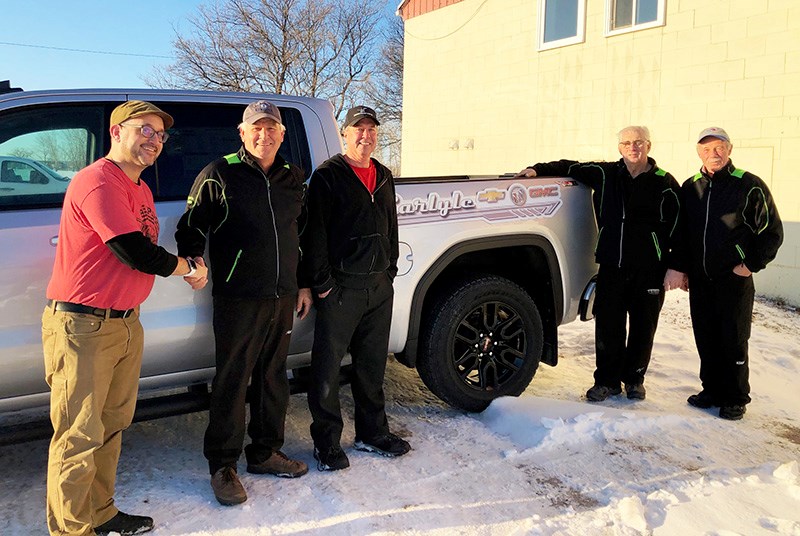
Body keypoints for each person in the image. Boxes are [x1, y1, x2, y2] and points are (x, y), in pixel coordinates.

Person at [43, 100, 208, 536]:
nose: (154, 140)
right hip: (84, 326)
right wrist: (187, 268)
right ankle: (71, 530)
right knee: (78, 435)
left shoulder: (140, 188)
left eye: (160, 134)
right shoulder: (97, 181)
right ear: (117, 132)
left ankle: (100, 512)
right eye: (145, 130)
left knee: (111, 425)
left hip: (125, 323)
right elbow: (134, 251)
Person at [175, 100, 312, 506]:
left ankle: (265, 451)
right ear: (242, 132)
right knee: (233, 381)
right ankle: (222, 465)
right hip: (239, 295)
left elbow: (300, 235)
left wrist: (302, 283)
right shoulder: (219, 174)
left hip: (283, 294)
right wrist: (194, 261)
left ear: (282, 135)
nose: (264, 135)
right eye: (256, 128)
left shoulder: (293, 177)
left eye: (272, 128)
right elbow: (191, 225)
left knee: (274, 377)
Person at [517, 126, 680, 402]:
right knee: (608, 326)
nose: (633, 147)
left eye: (638, 142)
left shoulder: (665, 182)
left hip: (649, 270)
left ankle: (635, 380)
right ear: (620, 148)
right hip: (611, 268)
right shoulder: (606, 174)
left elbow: (680, 227)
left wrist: (675, 266)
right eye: (627, 143)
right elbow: (570, 167)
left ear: (649, 146)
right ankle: (606, 381)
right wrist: (536, 169)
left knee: (643, 327)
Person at [302, 105, 410, 471]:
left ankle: (372, 433)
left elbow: (391, 224)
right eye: (358, 129)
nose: (365, 135)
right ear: (345, 134)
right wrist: (324, 285)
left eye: (371, 129)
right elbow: (312, 234)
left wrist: (390, 269)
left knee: (372, 366)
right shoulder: (328, 175)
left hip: (379, 287)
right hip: (341, 290)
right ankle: (327, 443)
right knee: (327, 370)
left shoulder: (383, 174)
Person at [664, 127, 783, 421]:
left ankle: (735, 396)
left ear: (729, 149)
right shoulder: (690, 187)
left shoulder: (748, 185)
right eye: (706, 149)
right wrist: (681, 267)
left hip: (734, 278)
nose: (713, 154)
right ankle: (712, 389)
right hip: (701, 279)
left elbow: (771, 231)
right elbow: (681, 233)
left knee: (733, 337)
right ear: (698, 152)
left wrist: (750, 264)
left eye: (719, 148)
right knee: (706, 336)